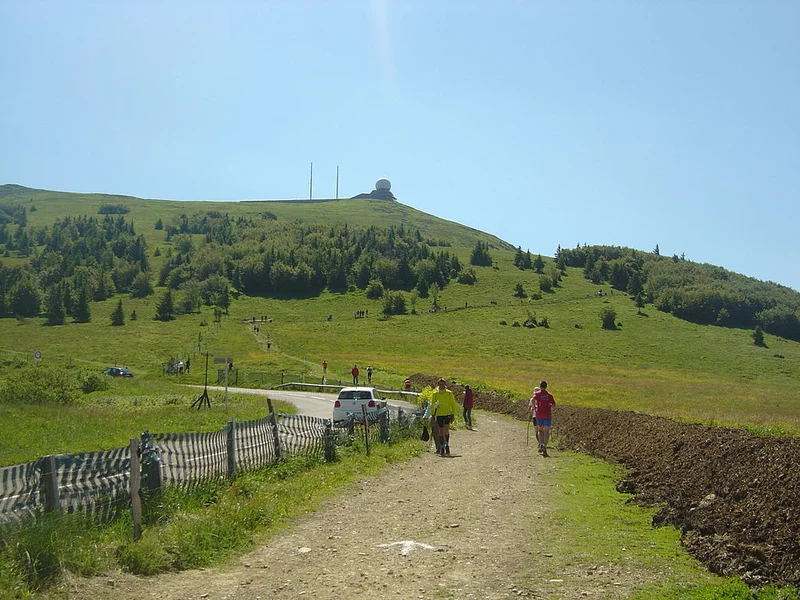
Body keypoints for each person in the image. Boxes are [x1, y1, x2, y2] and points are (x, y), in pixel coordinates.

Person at [430, 378, 460, 456]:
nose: (441, 386)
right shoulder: (435, 394)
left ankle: (447, 445)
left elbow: (453, 404)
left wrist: (453, 414)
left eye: (442, 384)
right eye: (440, 384)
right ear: (438, 385)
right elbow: (433, 404)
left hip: (447, 414)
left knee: (446, 430)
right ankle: (442, 447)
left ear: (445, 385)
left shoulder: (449, 393)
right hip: (439, 414)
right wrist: (432, 415)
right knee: (441, 431)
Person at [532, 381, 556, 457]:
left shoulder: (537, 394)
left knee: (540, 430)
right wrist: (549, 406)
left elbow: (533, 400)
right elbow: (554, 405)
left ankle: (541, 444)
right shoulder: (549, 395)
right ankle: (545, 446)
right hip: (547, 415)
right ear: (546, 386)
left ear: (540, 386)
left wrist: (533, 407)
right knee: (546, 431)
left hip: (539, 415)